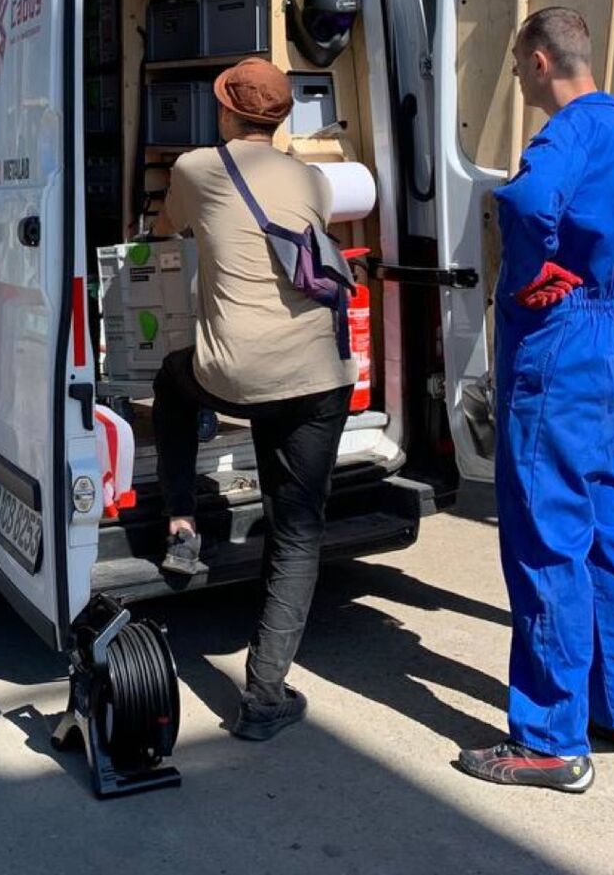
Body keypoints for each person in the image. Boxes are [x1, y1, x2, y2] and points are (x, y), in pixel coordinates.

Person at [457, 6, 614, 794]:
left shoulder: (567, 137)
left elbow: (521, 204)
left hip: (569, 346)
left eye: (519, 68)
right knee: (611, 528)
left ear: (543, 60)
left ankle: (550, 740)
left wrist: (531, 277)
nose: (519, 79)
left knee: (548, 534)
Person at [148, 57, 357, 742]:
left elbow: (164, 232)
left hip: (233, 374)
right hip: (319, 376)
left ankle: (181, 525)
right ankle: (264, 698)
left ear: (225, 111)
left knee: (172, 383)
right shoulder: (310, 178)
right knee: (296, 530)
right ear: (283, 116)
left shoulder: (196, 168)